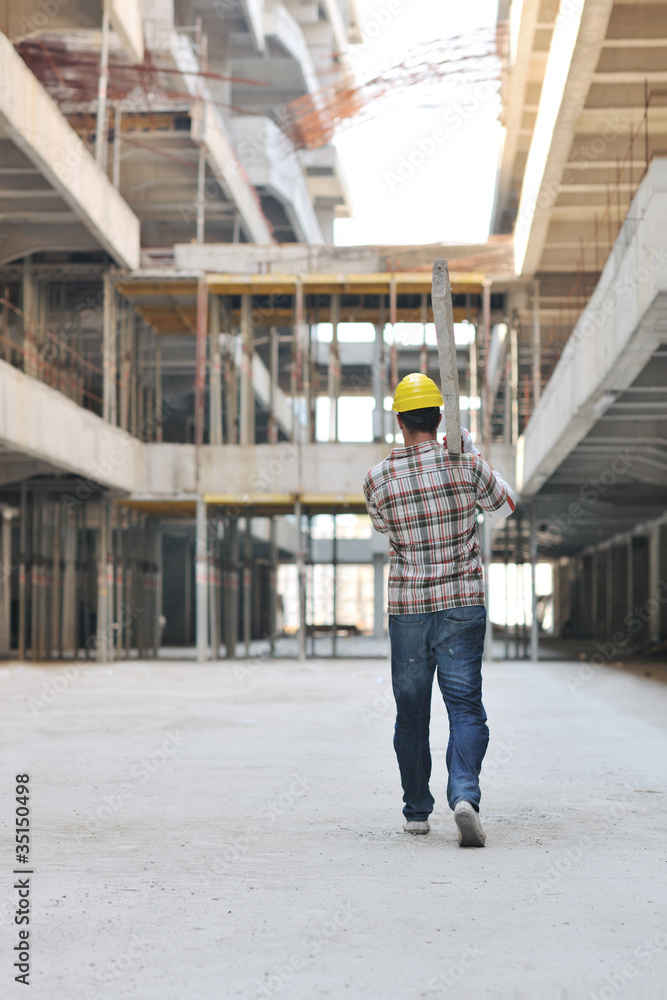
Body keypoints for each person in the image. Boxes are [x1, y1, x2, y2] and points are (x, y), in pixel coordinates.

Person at [363, 373, 516, 847]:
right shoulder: (463, 464)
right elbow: (506, 503)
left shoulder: (376, 480)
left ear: (400, 421)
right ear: (440, 418)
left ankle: (416, 811)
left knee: (411, 714)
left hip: (408, 607)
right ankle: (465, 795)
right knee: (466, 707)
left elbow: (383, 528)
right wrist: (467, 451)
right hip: (461, 605)